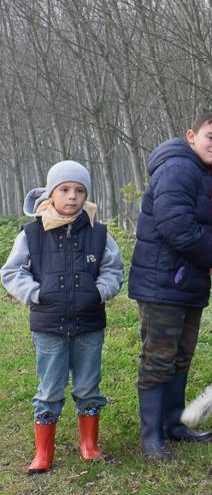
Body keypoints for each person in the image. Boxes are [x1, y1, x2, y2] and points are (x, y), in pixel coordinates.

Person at [2, 161, 124, 473]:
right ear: (51, 193)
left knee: (88, 386)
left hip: (89, 325)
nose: (72, 196)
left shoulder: (98, 233)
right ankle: (43, 453)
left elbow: (113, 269)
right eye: (65, 189)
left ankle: (89, 445)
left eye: (79, 191)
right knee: (49, 389)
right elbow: (12, 271)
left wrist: (99, 292)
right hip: (49, 326)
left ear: (87, 196)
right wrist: (35, 294)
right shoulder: (32, 234)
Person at [127, 110, 212, 459]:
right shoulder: (179, 168)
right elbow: (176, 226)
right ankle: (151, 436)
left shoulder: (201, 173)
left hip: (185, 281)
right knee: (159, 357)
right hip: (162, 281)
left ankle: (173, 424)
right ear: (192, 136)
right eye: (211, 138)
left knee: (181, 355)